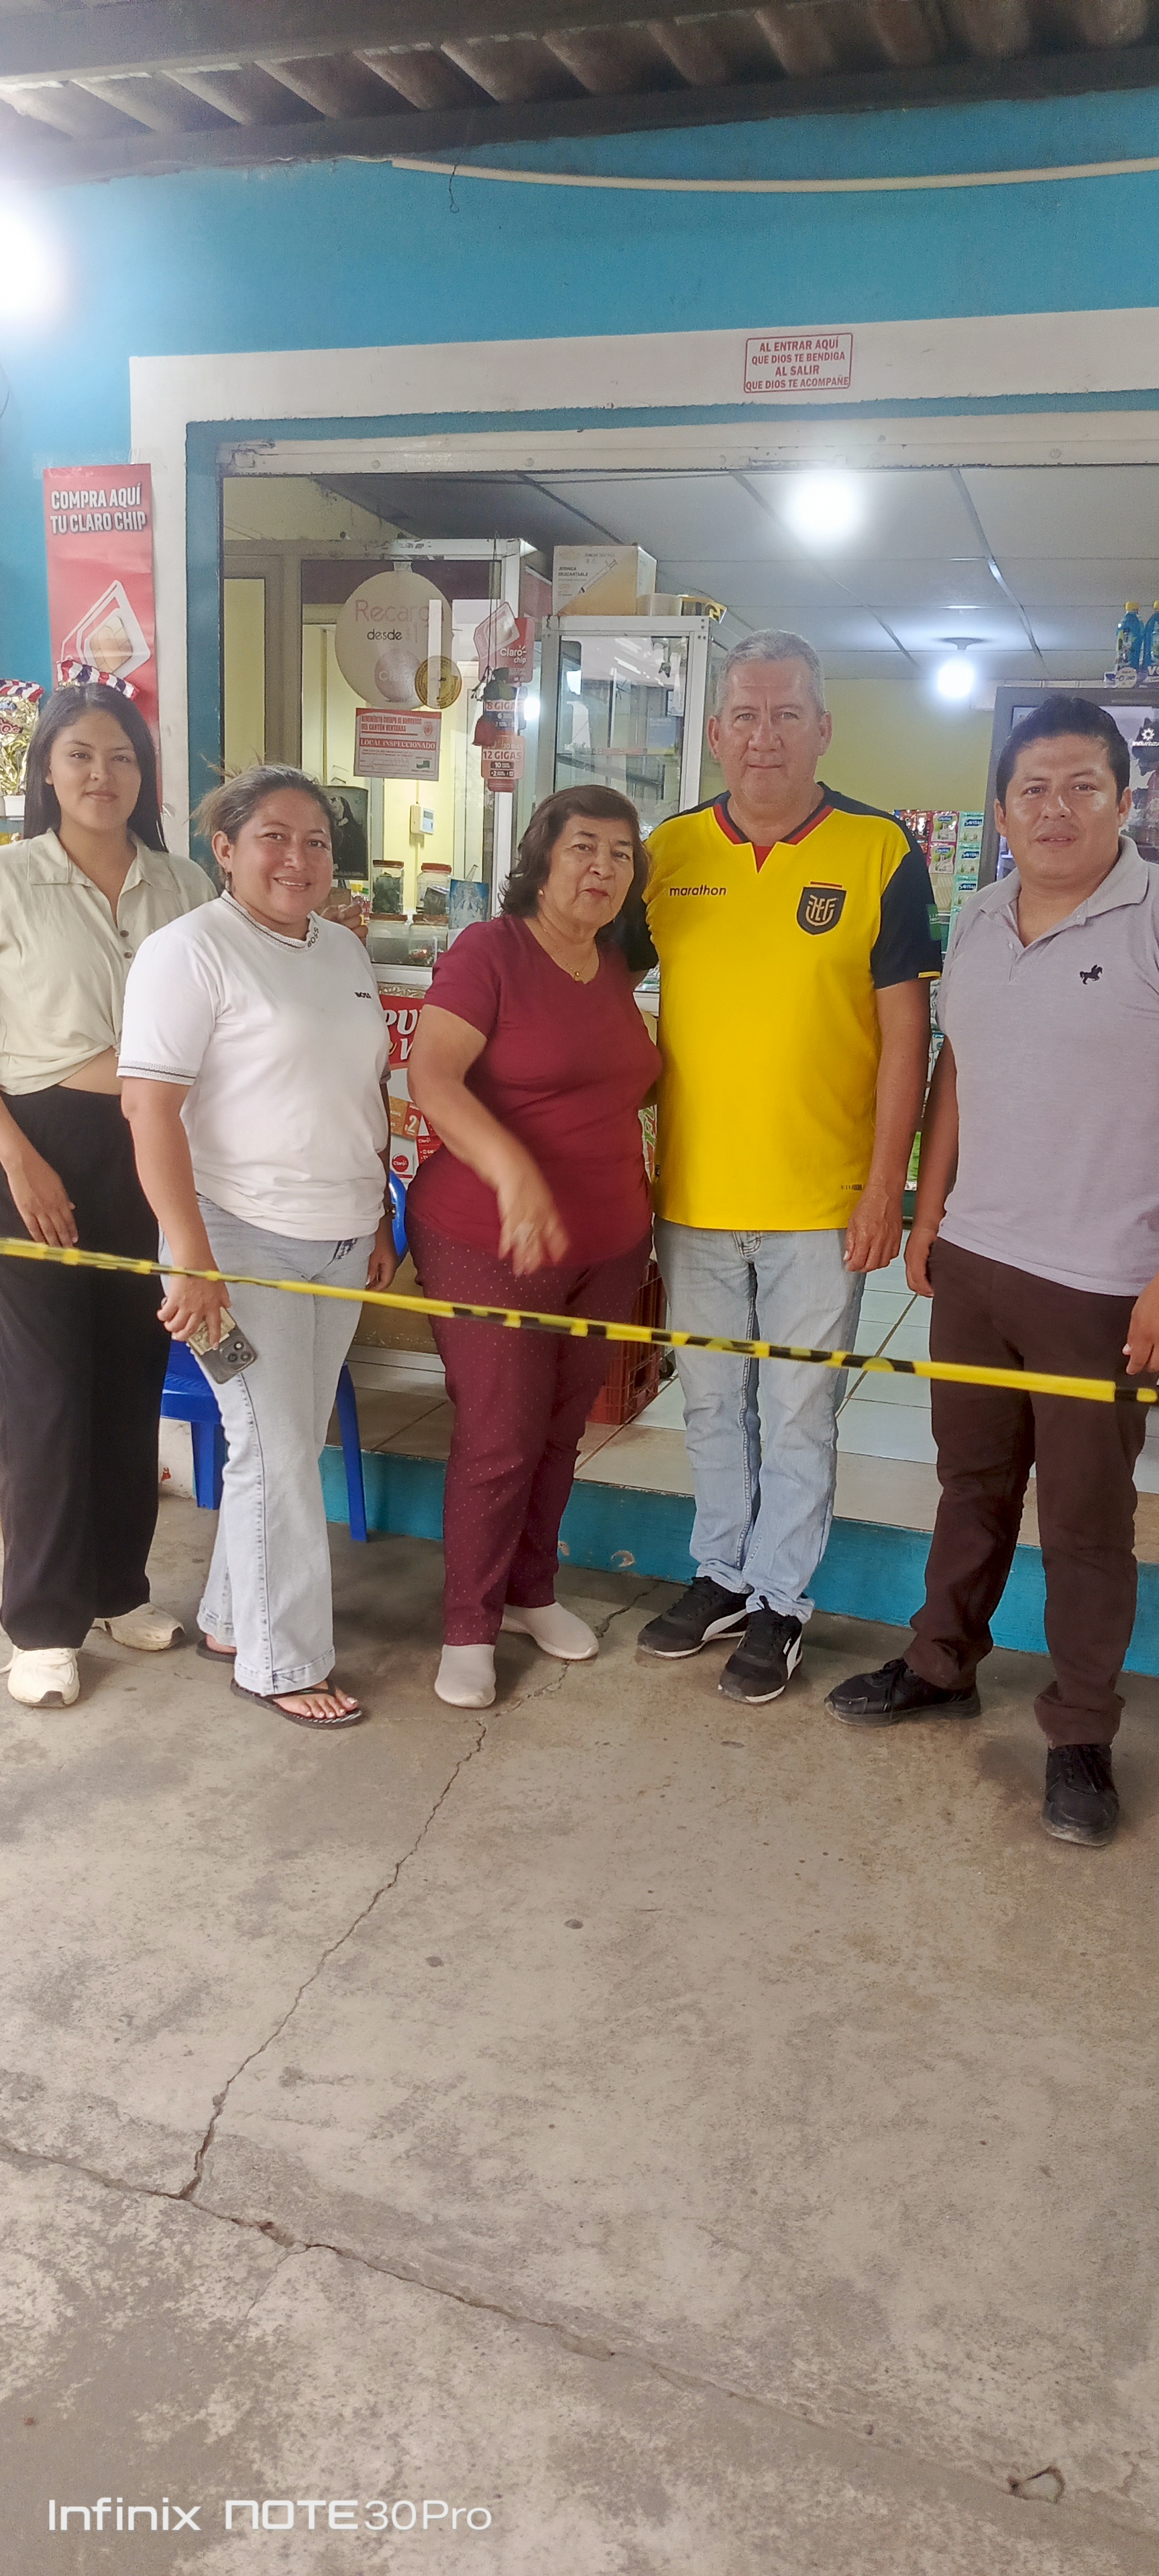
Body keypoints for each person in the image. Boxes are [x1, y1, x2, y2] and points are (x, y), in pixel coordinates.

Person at [828, 694, 1159, 1846]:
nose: (1056, 809)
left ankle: (1080, 1732)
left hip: (1103, 1280)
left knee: (1085, 1518)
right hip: (976, 1261)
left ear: (1125, 798)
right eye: (1033, 790)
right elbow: (957, 1068)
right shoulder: (974, 917)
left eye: (1082, 786)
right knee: (969, 1481)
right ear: (1004, 812)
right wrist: (929, 1213)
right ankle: (941, 1662)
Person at [637, 630, 941, 1704]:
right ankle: (721, 1574)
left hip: (822, 1203)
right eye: (745, 716)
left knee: (802, 1411)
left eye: (786, 714)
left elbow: (907, 1037)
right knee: (712, 1404)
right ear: (716, 733)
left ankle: (781, 1602)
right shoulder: (668, 853)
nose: (764, 736)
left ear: (823, 728)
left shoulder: (878, 851)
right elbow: (586, 981)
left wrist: (885, 1188)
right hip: (694, 1197)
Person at [119, 767, 397, 1728]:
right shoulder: (188, 951)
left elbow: (360, 1093)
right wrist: (192, 1262)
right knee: (274, 1450)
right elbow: (149, 1110)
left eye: (316, 841)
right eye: (274, 836)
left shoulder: (342, 949)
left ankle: (234, 1621)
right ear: (226, 849)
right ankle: (284, 1664)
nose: (298, 857)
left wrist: (379, 1214)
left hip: (338, 1241)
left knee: (281, 1444)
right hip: (235, 1248)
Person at [406, 786, 660, 1711]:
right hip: (488, 1236)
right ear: (542, 859)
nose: (602, 867)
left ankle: (530, 1591)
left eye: (621, 854)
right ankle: (467, 1627)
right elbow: (432, 1075)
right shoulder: (492, 951)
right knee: (501, 1434)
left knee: (559, 1427)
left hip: (608, 1242)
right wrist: (512, 1168)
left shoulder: (619, 963)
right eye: (583, 846)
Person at [0, 680, 215, 1709]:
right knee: (46, 1395)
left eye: (122, 757)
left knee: (133, 1377)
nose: (102, 774)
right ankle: (41, 1622)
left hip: (154, 1150)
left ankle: (118, 1589)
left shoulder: (185, 885)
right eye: (81, 755)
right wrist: (17, 1160)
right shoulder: (11, 880)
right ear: (47, 769)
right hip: (39, 1149)